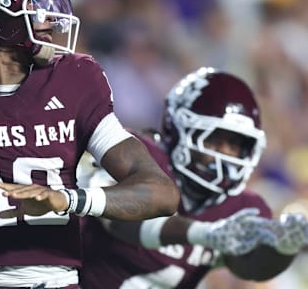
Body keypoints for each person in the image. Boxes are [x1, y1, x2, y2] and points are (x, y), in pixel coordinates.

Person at [0, 0, 181, 289]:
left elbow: (161, 192)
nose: (51, 17)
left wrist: (70, 199)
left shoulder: (75, 78)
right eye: (34, 2)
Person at [81, 67, 308, 288]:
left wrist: (284, 245)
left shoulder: (243, 207)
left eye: (236, 145)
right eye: (215, 139)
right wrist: (204, 233)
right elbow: (116, 216)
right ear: (180, 129)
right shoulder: (141, 156)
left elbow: (251, 266)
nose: (226, 154)